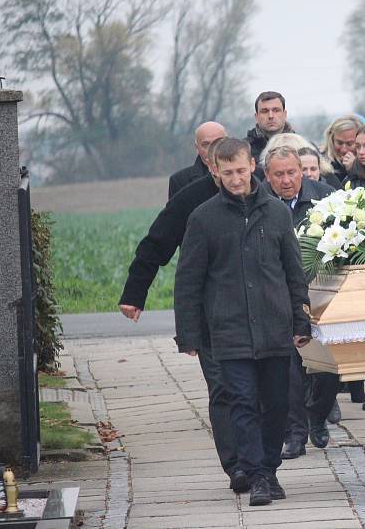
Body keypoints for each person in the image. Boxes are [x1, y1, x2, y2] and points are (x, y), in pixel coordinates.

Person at [174, 138, 311, 507]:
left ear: (253, 166)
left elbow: (293, 271)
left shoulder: (277, 214)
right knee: (243, 404)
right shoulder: (203, 218)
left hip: (274, 327)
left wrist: (301, 319)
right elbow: (188, 280)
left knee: (277, 404)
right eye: (227, 172)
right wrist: (188, 333)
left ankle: (269, 466)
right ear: (215, 171)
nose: (235, 179)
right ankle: (258, 475)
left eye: (240, 170)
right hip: (229, 330)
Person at [118, 135, 248, 494]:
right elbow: (157, 243)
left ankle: (259, 464)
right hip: (213, 316)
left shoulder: (259, 195)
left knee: (257, 394)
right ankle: (236, 465)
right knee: (223, 388)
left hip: (258, 315)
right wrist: (134, 292)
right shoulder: (192, 201)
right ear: (208, 161)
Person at [258, 145, 342, 459]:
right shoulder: (260, 204)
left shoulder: (325, 197)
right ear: (267, 176)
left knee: (327, 368)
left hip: (320, 293)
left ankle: (317, 413)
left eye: (292, 172)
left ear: (302, 170)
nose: (286, 180)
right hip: (279, 297)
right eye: (278, 174)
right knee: (290, 371)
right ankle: (295, 434)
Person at [168, 121, 227, 199]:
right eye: (206, 144)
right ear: (197, 148)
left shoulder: (243, 174)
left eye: (218, 143)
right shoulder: (179, 181)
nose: (213, 149)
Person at [246, 91, 294, 160]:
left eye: (276, 110)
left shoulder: (300, 146)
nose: (271, 116)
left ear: (285, 115)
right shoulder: (244, 150)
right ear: (256, 117)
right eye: (264, 111)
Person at [320, 114, 365, 181]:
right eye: (339, 143)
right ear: (331, 139)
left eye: (349, 144)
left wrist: (355, 168)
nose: (344, 149)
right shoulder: (320, 162)